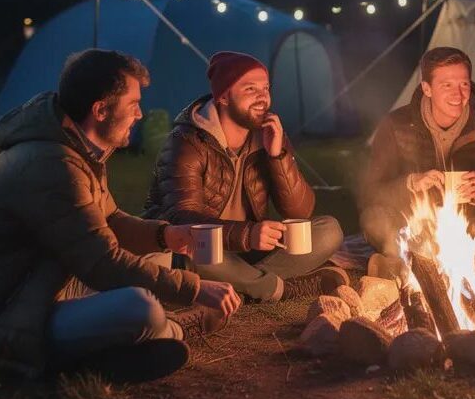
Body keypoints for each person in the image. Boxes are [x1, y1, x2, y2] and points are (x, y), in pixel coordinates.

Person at [0, 50, 241, 382]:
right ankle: (173, 330)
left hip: (43, 287)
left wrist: (165, 235)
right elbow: (102, 263)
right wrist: (194, 289)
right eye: (133, 105)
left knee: (160, 256)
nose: (140, 115)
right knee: (140, 308)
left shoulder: (77, 151)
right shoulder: (52, 166)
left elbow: (109, 221)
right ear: (100, 110)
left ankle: (117, 349)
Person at [142, 51, 348, 302]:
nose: (263, 97)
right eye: (251, 89)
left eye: (266, 88)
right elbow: (182, 218)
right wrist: (247, 234)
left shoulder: (268, 136)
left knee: (329, 230)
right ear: (224, 96)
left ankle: (245, 284)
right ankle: (278, 289)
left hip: (248, 250)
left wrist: (277, 156)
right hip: (203, 249)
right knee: (194, 252)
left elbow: (300, 213)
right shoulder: (185, 143)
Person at [358, 46, 475, 277]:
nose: (458, 94)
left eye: (464, 84)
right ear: (427, 88)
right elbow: (371, 193)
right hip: (412, 226)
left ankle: (406, 265)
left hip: (466, 228)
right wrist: (411, 184)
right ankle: (465, 266)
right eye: (447, 85)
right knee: (373, 219)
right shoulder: (396, 125)